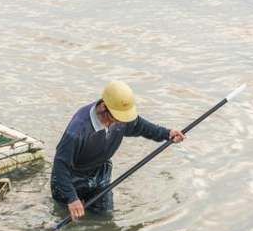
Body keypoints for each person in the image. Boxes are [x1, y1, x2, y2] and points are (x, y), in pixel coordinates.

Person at [51, 81, 185, 221]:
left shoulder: (120, 120)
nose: (119, 123)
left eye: (123, 119)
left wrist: (166, 133)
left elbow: (139, 125)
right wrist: (72, 198)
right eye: (115, 118)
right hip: (71, 178)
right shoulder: (77, 130)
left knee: (105, 220)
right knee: (72, 225)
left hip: (99, 173)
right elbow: (60, 165)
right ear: (103, 107)